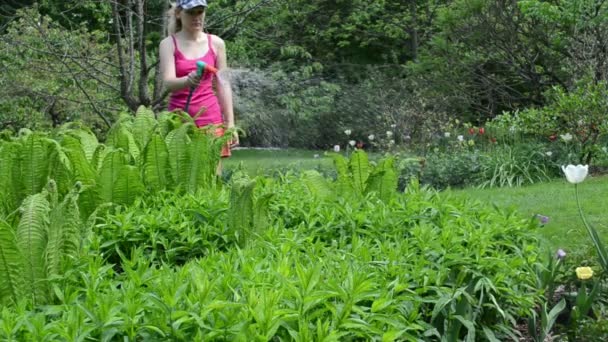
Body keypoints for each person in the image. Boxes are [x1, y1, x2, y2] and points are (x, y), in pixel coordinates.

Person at [159, 0, 238, 159]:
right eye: (191, 12)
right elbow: (168, 82)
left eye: (200, 12)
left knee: (212, 180)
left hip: (211, 121)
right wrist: (187, 81)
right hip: (178, 123)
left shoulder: (216, 43)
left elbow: (224, 85)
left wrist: (230, 124)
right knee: (180, 179)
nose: (197, 17)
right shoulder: (168, 44)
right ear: (179, 14)